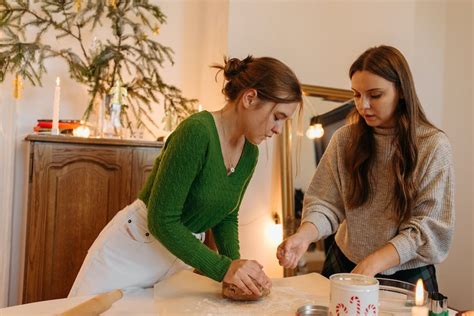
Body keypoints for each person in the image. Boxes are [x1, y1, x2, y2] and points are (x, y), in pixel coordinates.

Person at [69, 55, 303, 297]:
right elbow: (162, 220)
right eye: (278, 117)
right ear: (249, 98)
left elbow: (226, 215)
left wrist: (234, 274)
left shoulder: (249, 154)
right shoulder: (197, 131)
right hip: (131, 251)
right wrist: (225, 268)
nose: (278, 129)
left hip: (176, 258)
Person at [276, 45, 454, 293]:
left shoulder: (433, 146)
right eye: (357, 95)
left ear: (401, 91)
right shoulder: (345, 139)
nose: (363, 105)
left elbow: (429, 227)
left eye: (375, 95)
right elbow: (325, 202)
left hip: (407, 274)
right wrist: (304, 236)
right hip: (345, 263)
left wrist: (373, 263)